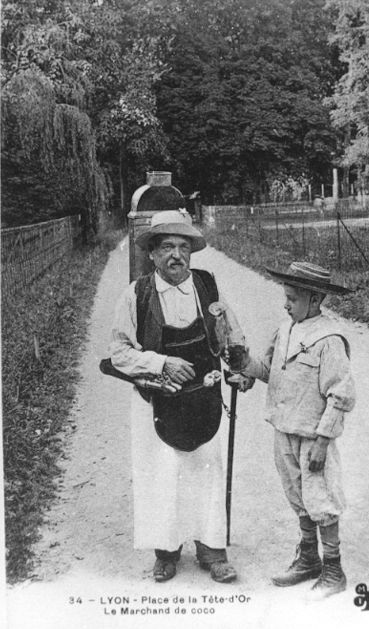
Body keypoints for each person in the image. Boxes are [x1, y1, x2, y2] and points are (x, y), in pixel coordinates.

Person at [109, 209, 237, 584]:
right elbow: (118, 352)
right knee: (161, 474)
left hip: (204, 400)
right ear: (151, 253)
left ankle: (213, 549)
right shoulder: (137, 294)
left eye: (183, 247)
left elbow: (231, 333)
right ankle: (165, 551)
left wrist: (239, 363)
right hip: (157, 401)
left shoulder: (207, 286)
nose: (176, 256)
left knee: (206, 472)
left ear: (192, 252)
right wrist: (161, 362)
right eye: (167, 247)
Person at [242, 261, 356, 600]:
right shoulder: (285, 330)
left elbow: (341, 394)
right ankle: (308, 558)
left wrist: (324, 440)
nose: (286, 304)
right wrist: (242, 364)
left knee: (321, 499)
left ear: (316, 299)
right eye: (286, 296)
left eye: (292, 298)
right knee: (297, 496)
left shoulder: (329, 339)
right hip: (284, 430)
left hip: (312, 437)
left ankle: (334, 569)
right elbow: (266, 370)